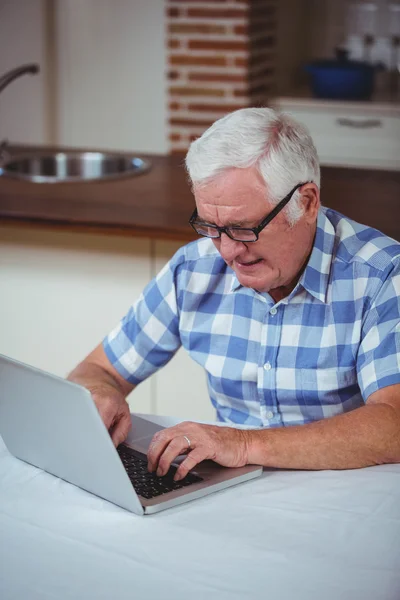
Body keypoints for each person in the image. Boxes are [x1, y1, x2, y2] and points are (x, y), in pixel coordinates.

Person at [68, 107, 400, 481]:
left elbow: (393, 426)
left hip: (349, 497)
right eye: (210, 226)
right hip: (234, 495)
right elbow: (95, 370)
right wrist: (100, 392)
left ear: (306, 203)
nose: (226, 252)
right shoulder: (193, 269)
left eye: (244, 229)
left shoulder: (381, 275)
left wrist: (242, 444)